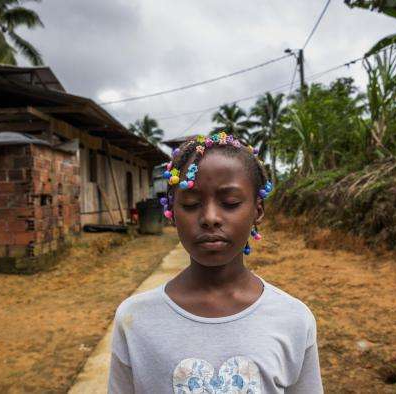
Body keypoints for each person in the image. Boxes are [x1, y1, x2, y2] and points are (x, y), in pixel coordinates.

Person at [108, 133, 323, 393]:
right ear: (172, 212)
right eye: (191, 203)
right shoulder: (135, 319)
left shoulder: (293, 320)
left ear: (258, 210)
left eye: (230, 203)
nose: (210, 217)